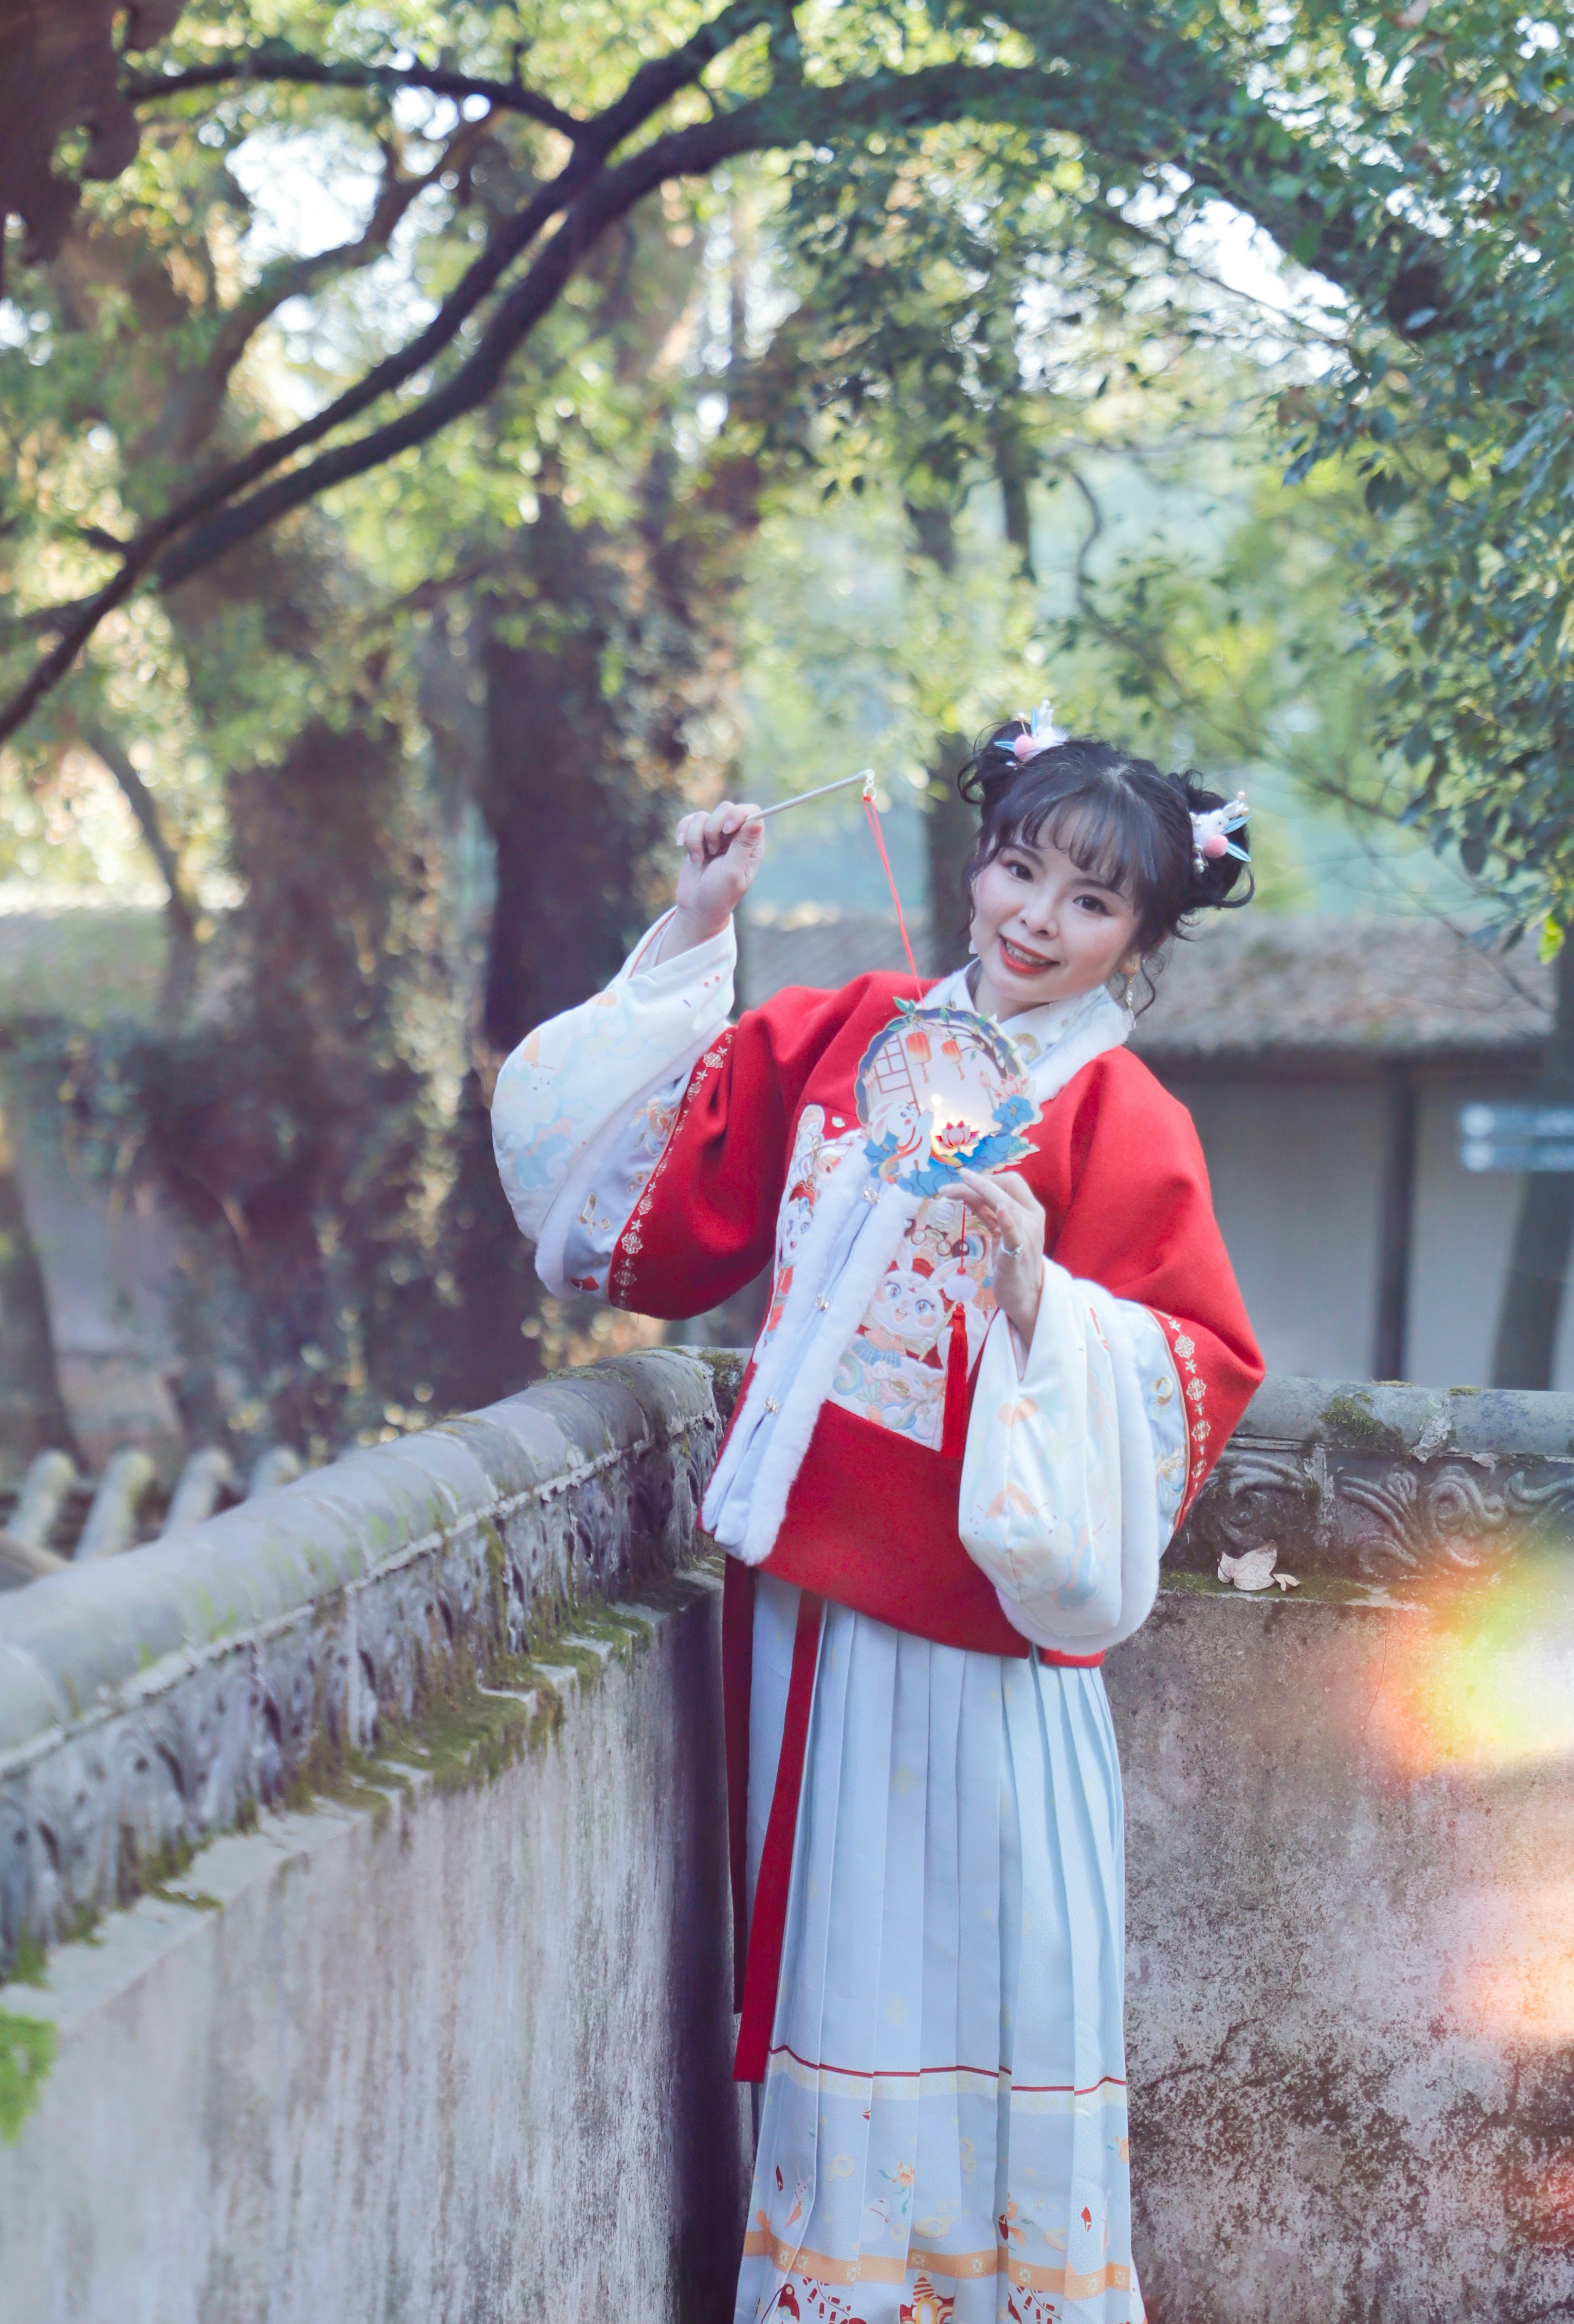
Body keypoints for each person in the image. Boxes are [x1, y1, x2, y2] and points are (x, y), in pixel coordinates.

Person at [491, 712, 1265, 2324]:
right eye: (1019, 866)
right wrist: (700, 926)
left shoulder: (1127, 1125)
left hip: (981, 1628)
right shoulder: (842, 1039)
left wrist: (1046, 1299)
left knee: (993, 1956)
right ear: (975, 864)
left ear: (1142, 937)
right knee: (840, 1955)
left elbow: (1196, 1364)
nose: (1035, 918)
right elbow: (631, 1217)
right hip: (812, 1607)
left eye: (1090, 902)